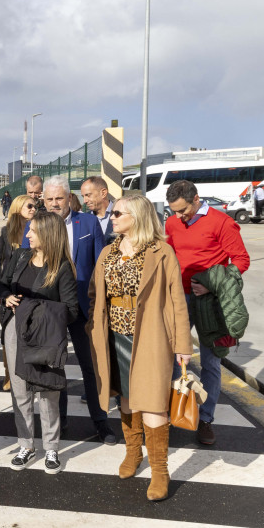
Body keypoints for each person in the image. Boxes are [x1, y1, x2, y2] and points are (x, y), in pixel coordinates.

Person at [87, 194, 193, 501]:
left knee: (153, 404)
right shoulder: (109, 250)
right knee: (126, 399)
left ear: (138, 217)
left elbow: (177, 301)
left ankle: (160, 471)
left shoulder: (161, 251)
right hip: (114, 336)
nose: (113, 216)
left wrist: (182, 344)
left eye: (119, 212)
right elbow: (95, 293)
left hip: (150, 336)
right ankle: (133, 453)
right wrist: (92, 325)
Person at [166, 180, 250, 446]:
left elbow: (241, 260)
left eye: (183, 211)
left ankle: (206, 419)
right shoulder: (171, 223)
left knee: (210, 364)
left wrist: (212, 284)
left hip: (210, 303)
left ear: (196, 199)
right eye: (174, 212)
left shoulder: (222, 222)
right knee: (168, 357)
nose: (179, 217)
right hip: (177, 300)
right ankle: (171, 411)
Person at [0, 211, 79, 473]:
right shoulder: (20, 256)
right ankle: (26, 444)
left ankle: (52, 448)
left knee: (46, 392)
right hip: (15, 329)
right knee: (20, 390)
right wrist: (7, 297)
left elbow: (72, 309)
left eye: (32, 230)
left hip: (45, 336)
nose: (27, 234)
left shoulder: (62, 267)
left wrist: (37, 310)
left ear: (48, 234)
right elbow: (1, 284)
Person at [43, 175, 115, 443]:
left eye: (58, 198)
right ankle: (59, 423)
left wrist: (100, 303)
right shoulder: (36, 225)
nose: (54, 204)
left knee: (90, 365)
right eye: (49, 199)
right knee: (56, 366)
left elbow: (100, 264)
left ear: (68, 197)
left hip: (83, 308)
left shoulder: (88, 222)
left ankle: (101, 422)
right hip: (52, 310)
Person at [0, 195, 38, 392]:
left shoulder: (38, 229)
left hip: (31, 286)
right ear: (18, 207)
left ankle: (29, 373)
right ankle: (9, 373)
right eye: (29, 206)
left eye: (35, 206)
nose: (34, 208)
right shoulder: (5, 231)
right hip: (8, 288)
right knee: (7, 333)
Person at [81, 176, 115, 243]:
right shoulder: (83, 220)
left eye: (88, 195)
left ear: (103, 193)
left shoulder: (122, 214)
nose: (85, 201)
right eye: (83, 196)